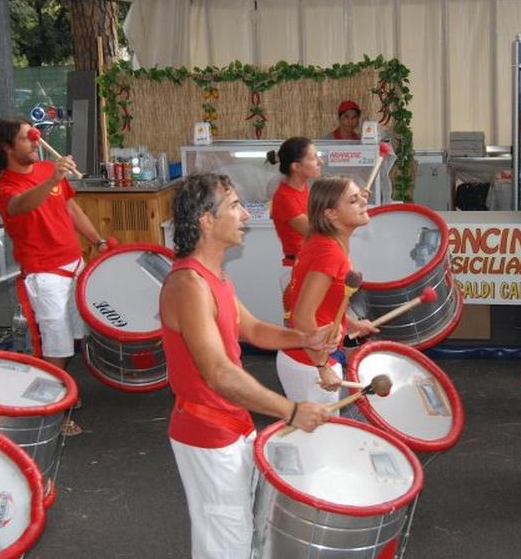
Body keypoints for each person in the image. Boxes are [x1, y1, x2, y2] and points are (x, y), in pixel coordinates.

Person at [159, 173, 331, 559]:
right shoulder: (189, 285)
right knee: (227, 540)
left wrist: (305, 338)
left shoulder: (215, 276)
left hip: (230, 423)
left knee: (240, 531)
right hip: (207, 431)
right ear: (206, 219)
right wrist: (290, 411)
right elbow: (218, 373)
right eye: (234, 206)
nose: (244, 216)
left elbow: (250, 329)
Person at [0, 118, 107, 436]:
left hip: (74, 264)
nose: (35, 142)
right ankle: (53, 412)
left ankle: (61, 392)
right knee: (57, 347)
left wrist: (99, 241)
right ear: (7, 147)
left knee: (78, 337)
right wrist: (52, 176)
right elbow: (21, 205)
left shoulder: (45, 171)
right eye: (27, 139)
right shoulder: (4, 188)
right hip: (45, 275)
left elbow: (71, 209)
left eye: (34, 136)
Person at [278, 175, 378, 406]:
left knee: (321, 435)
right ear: (331, 214)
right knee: (317, 438)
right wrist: (322, 366)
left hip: (306, 356)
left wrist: (351, 324)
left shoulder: (323, 241)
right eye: (354, 201)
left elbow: (323, 301)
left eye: (360, 197)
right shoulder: (329, 253)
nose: (364, 202)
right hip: (309, 363)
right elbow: (301, 315)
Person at [267, 137, 323, 290]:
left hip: (310, 266)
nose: (320, 162)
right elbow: (318, 231)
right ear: (297, 166)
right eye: (314, 158)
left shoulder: (303, 188)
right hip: (297, 271)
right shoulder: (285, 198)